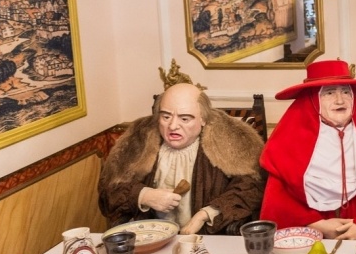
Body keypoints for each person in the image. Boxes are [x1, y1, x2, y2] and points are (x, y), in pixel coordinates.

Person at [259, 59, 356, 241]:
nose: (340, 100)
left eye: (346, 92)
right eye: (329, 93)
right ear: (313, 99)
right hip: (309, 236)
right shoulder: (288, 139)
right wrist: (315, 224)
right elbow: (277, 199)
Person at [99, 82, 264, 235]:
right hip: (151, 239)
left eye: (185, 118)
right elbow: (109, 192)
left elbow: (251, 188)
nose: (173, 126)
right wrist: (144, 195)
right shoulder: (139, 140)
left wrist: (206, 214)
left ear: (203, 119)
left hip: (206, 240)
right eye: (166, 117)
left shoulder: (229, 143)